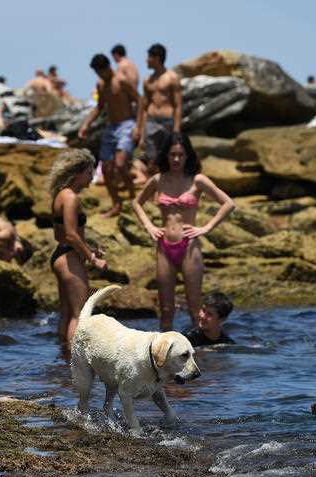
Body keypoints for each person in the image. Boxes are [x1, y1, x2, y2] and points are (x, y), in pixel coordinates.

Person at [132, 133, 234, 332]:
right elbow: (136, 203)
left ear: (188, 156)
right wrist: (149, 226)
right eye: (172, 155)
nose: (176, 159)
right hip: (164, 248)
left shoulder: (198, 180)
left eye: (181, 154)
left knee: (195, 309)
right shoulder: (157, 180)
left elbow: (228, 204)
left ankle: (199, 356)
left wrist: (206, 227)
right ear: (166, 156)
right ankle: (163, 356)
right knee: (166, 310)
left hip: (190, 247)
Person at [49, 149, 107, 356]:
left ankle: (64, 359)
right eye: (90, 173)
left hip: (60, 255)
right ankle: (76, 365)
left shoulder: (61, 194)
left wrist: (89, 249)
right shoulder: (71, 198)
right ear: (78, 173)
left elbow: (65, 235)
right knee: (80, 315)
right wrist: (92, 258)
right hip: (69, 258)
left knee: (66, 314)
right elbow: (72, 235)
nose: (92, 177)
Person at [78, 54, 139, 217]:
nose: (99, 76)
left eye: (99, 72)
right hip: (111, 128)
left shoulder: (122, 81)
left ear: (106, 68)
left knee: (120, 165)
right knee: (105, 169)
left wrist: (138, 127)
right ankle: (117, 203)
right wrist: (86, 124)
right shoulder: (100, 84)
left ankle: (134, 198)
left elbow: (140, 101)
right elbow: (99, 107)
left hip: (127, 125)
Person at [133, 43, 183, 174]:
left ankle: (166, 192)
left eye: (149, 57)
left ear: (157, 58)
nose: (146, 60)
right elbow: (144, 107)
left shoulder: (172, 78)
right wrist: (139, 129)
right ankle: (154, 193)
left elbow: (178, 105)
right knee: (152, 161)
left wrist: (177, 130)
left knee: (167, 160)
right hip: (151, 122)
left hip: (167, 122)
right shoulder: (147, 80)